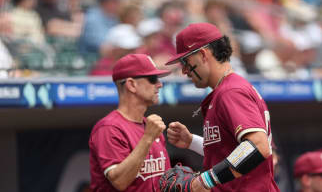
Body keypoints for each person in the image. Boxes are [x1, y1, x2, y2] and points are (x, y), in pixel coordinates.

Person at [162, 22, 279, 191]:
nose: (184, 71)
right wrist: (191, 141)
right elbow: (229, 150)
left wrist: (204, 181)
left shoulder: (231, 91)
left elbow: (258, 145)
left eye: (185, 62)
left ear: (203, 54)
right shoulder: (226, 89)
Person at [89, 53, 172, 191]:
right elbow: (120, 181)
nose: (159, 84)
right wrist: (148, 138)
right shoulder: (108, 128)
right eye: (153, 79)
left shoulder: (151, 127)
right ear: (131, 85)